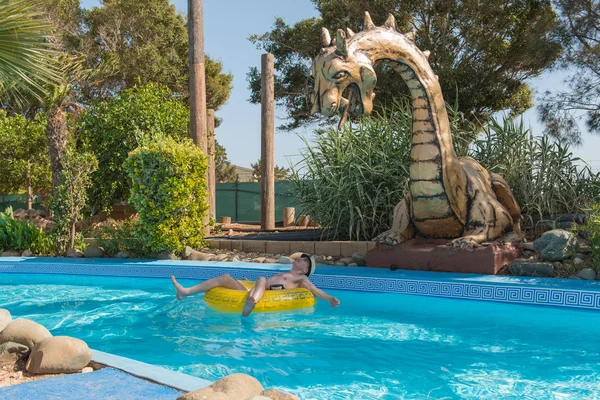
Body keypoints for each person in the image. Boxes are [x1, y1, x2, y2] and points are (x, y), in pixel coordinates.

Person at [170, 253, 340, 316]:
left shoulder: (301, 280)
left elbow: (315, 290)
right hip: (256, 288)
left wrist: (329, 298)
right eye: (302, 257)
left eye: (305, 260)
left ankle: (252, 301)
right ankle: (186, 291)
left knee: (262, 279)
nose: (301, 258)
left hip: (260, 293)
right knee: (225, 277)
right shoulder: (282, 274)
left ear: (305, 271)